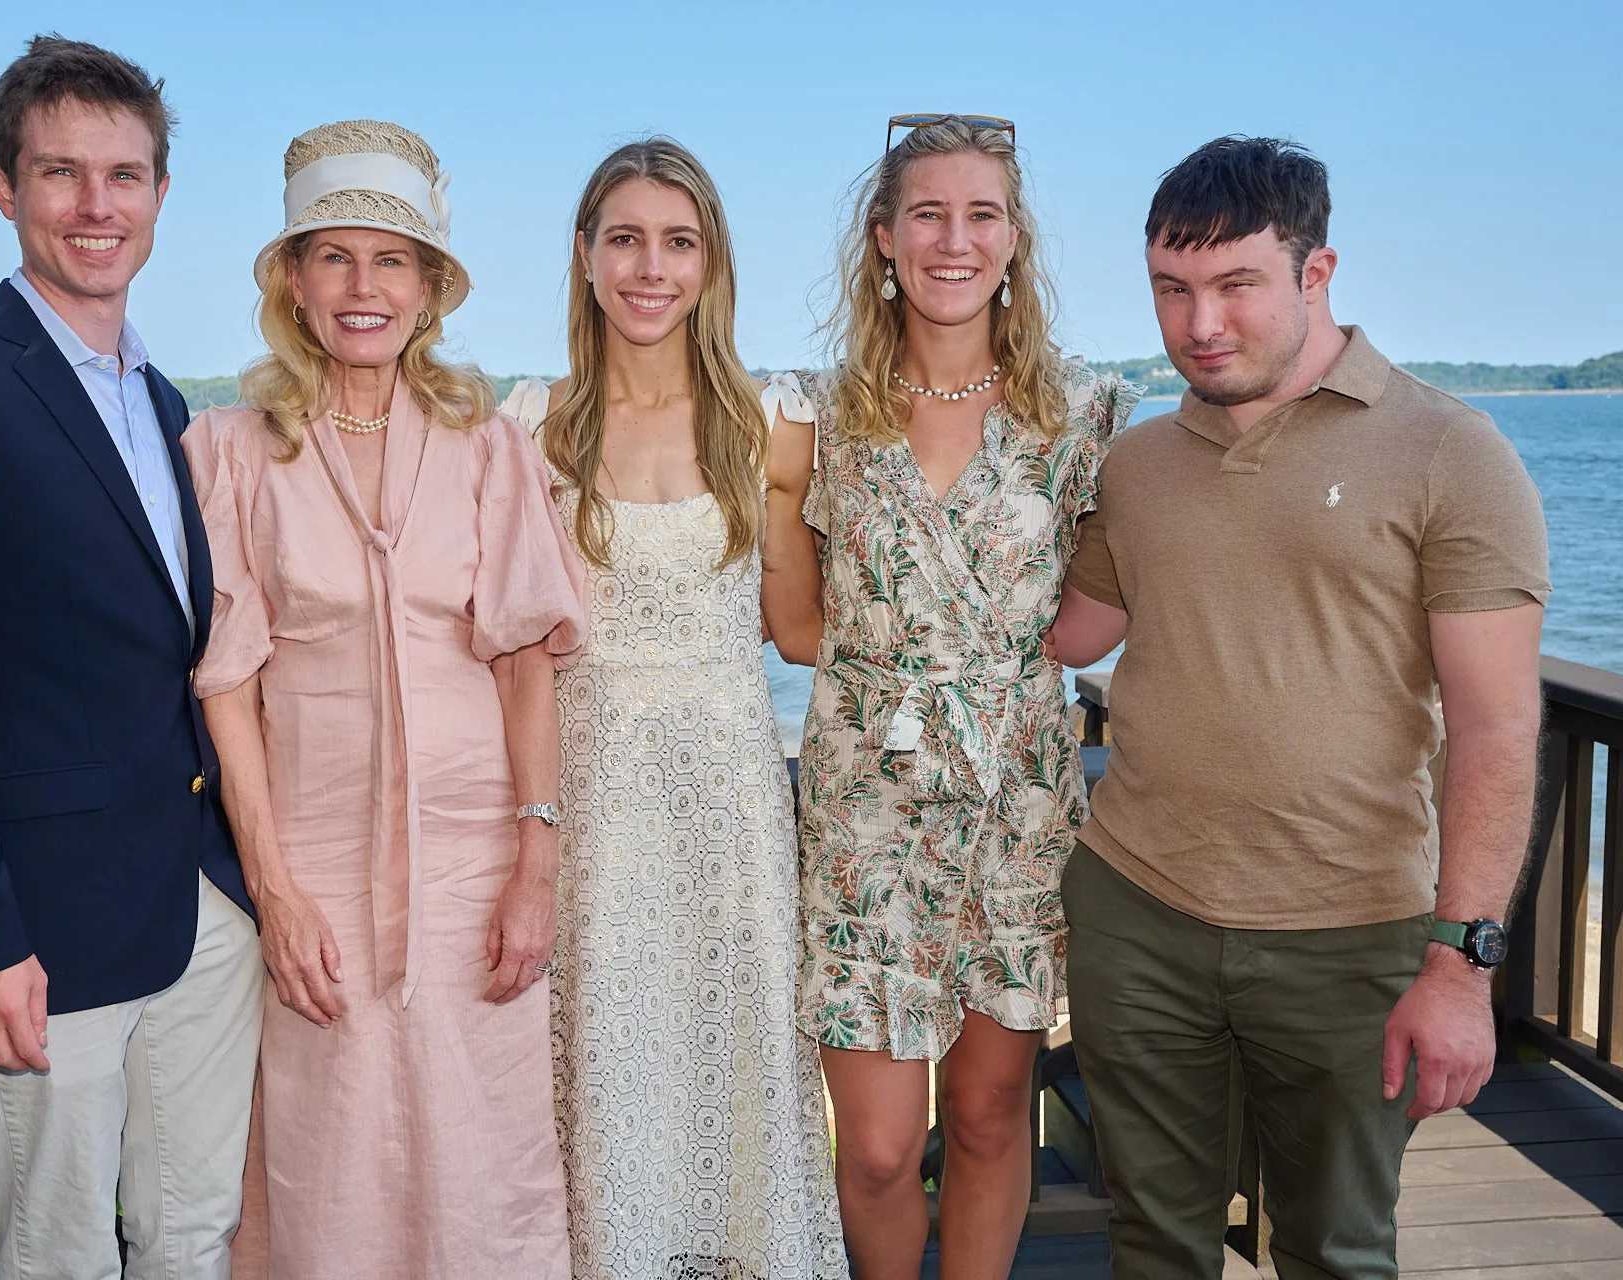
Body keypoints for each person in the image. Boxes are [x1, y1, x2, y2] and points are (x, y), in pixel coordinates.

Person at [1048, 135, 1549, 1279]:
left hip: (1348, 932)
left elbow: (1497, 728)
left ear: (1316, 273)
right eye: (1172, 290)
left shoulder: (1450, 452)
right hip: (1140, 909)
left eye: (1235, 285)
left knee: (1333, 1249)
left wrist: (1461, 965)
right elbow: (1065, 634)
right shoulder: (1134, 461)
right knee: (1154, 1237)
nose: (1199, 323)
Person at [0, 35, 264, 1279]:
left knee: (193, 1235)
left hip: (201, 907)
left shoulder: (167, 402)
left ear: (160, 196)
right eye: (62, 173)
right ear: (2, 186)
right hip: (42, 931)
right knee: (55, 1251)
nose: (96, 206)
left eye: (123, 176)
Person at [187, 120, 586, 1280]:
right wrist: (274, 888)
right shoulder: (229, 449)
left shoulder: (488, 449)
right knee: (331, 1164)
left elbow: (525, 666)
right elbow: (226, 683)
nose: (365, 286)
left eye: (393, 259)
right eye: (335, 256)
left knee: (484, 1159)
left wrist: (536, 866)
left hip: (475, 871)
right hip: (311, 865)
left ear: (428, 289)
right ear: (294, 282)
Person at [762, 115, 1139, 1279]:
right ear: (883, 238)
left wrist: (1006, 675)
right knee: (876, 1148)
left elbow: (1103, 603)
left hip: (1015, 816)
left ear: (1015, 239)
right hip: (866, 812)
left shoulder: (1084, 413)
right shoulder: (816, 414)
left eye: (981, 214)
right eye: (927, 213)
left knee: (986, 1118)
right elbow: (796, 626)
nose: (953, 238)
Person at [502, 138, 847, 1280]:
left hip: (729, 802)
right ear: (586, 256)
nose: (651, 267)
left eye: (679, 241)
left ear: (712, 262)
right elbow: (501, 645)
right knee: (606, 1076)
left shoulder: (771, 421)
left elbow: (799, 629)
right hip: (590, 804)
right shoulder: (527, 429)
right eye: (627, 238)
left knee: (732, 1069)